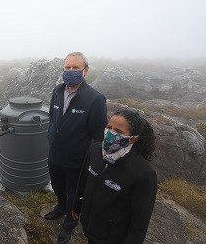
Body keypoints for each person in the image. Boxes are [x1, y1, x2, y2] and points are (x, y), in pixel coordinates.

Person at [46, 52, 108, 243]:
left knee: (74, 194)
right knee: (58, 186)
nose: (70, 71)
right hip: (54, 155)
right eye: (67, 67)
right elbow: (52, 119)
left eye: (75, 68)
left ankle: (69, 225)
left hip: (77, 159)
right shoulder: (57, 91)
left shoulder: (95, 99)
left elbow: (98, 135)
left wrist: (96, 161)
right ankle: (60, 207)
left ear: (85, 71)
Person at [72, 109, 157, 243]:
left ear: (133, 139)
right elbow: (83, 181)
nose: (111, 133)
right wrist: (76, 206)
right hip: (90, 227)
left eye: (118, 131)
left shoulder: (144, 173)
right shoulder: (95, 150)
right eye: (109, 127)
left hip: (112, 238)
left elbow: (140, 221)